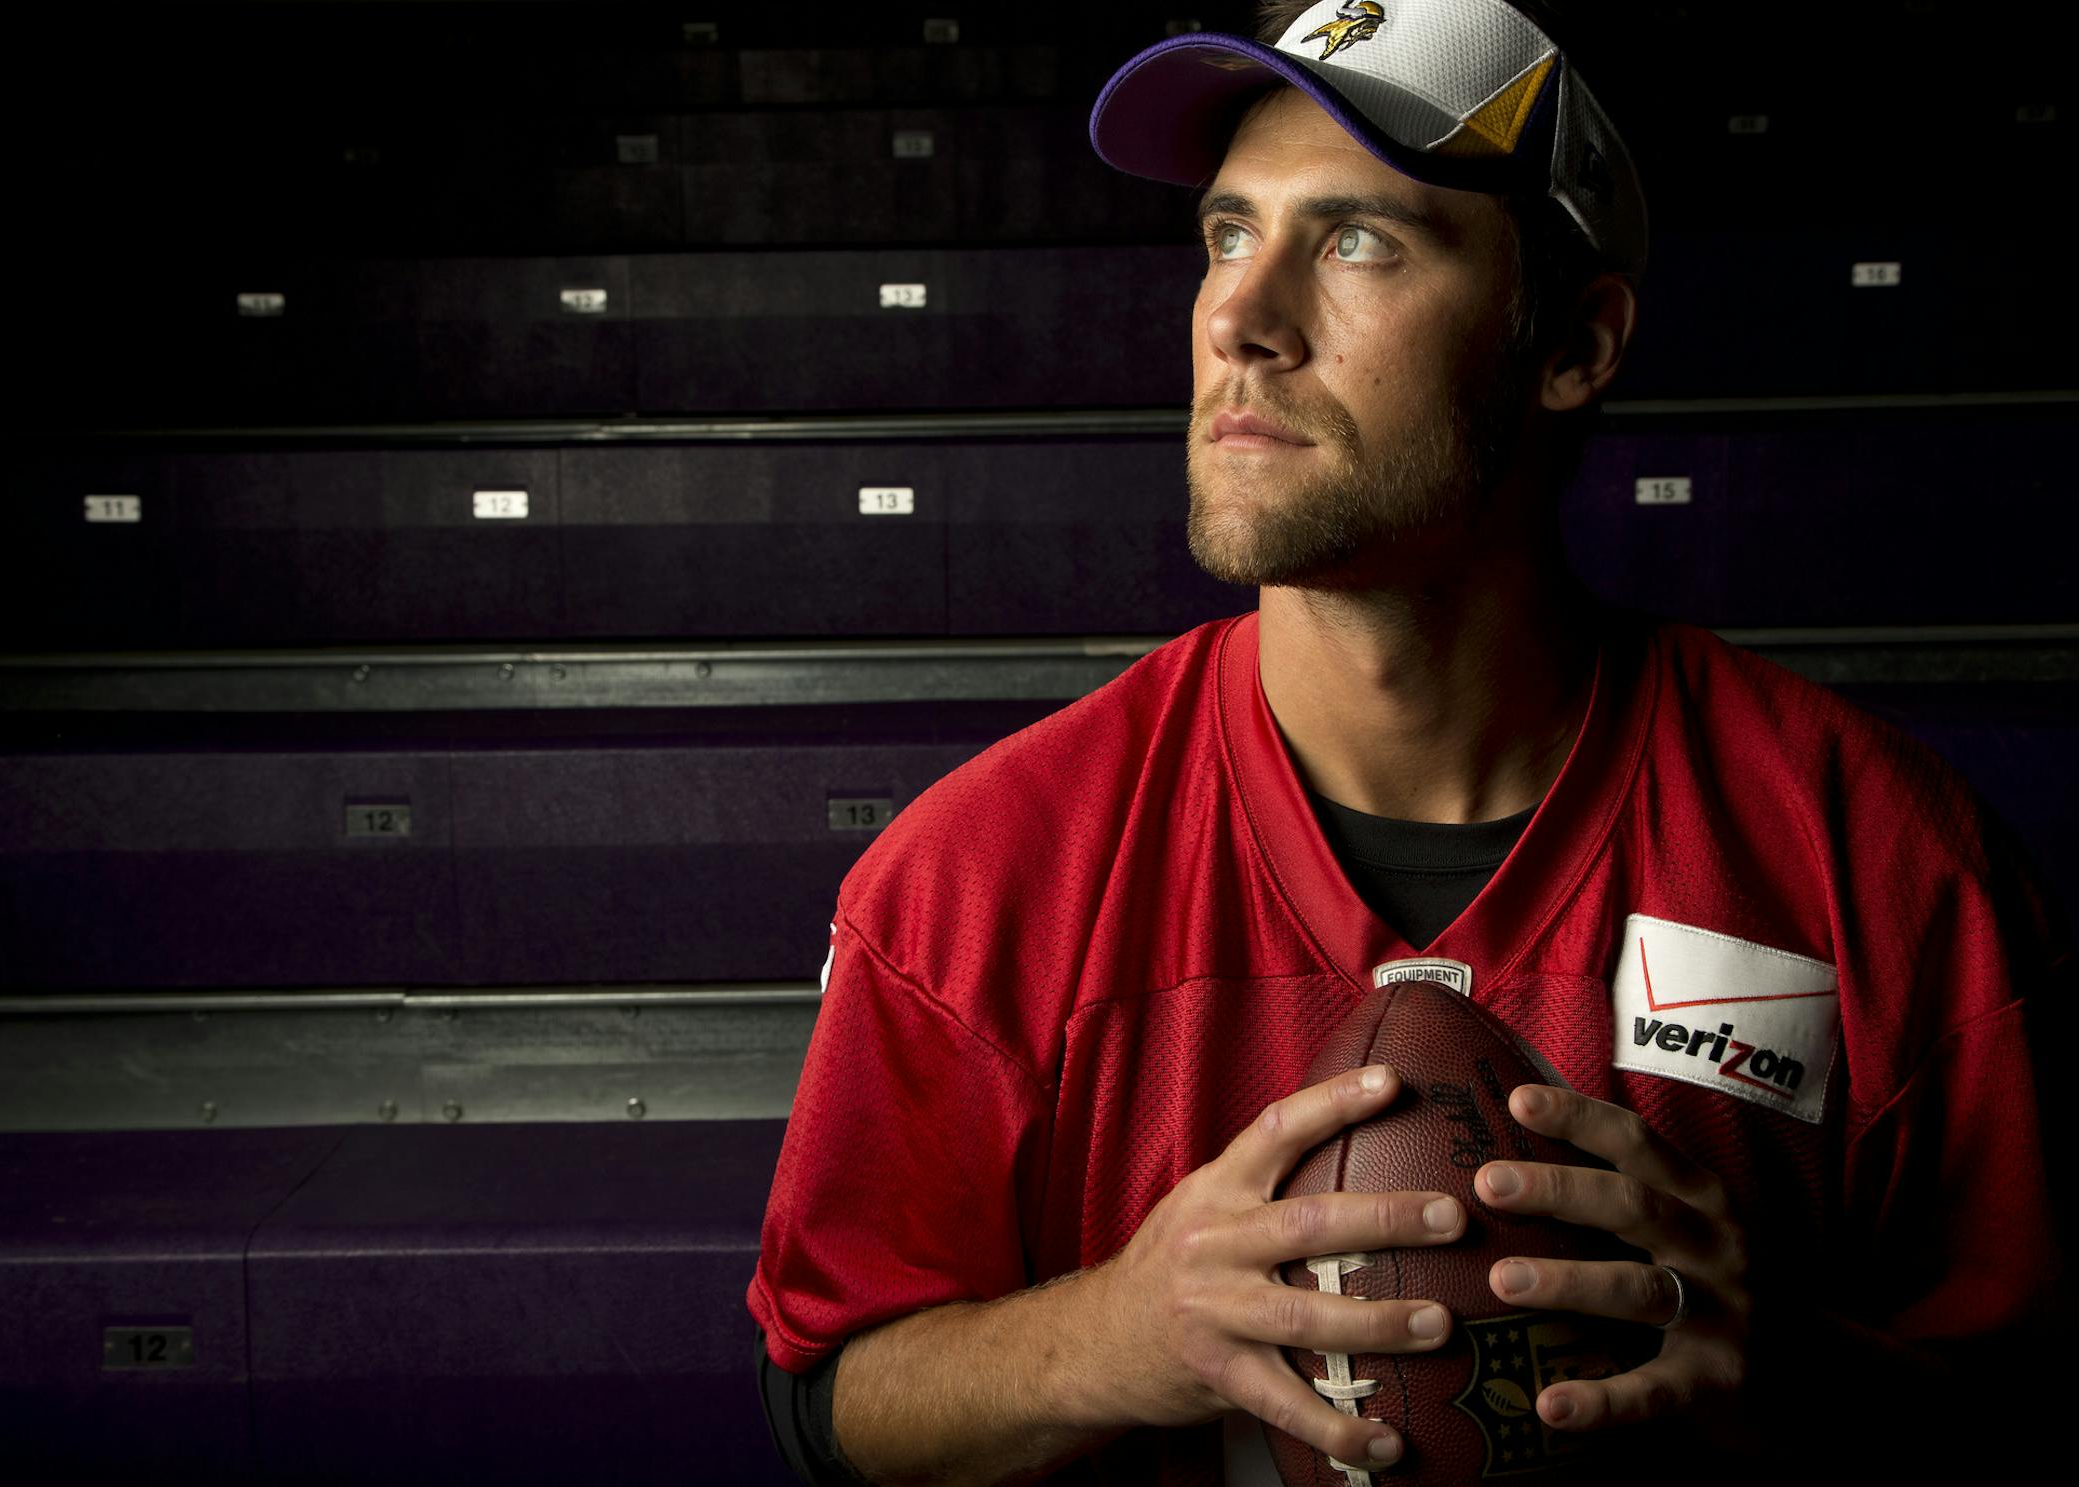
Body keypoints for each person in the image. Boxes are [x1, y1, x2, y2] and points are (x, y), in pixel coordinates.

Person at [748, 2, 2068, 1482]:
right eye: (1230, 234)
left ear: (1573, 345)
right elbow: (828, 1405)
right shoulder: (981, 871)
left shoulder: (1882, 861)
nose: (1241, 319)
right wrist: (1115, 1333)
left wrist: (1790, 1373)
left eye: (1360, 241)